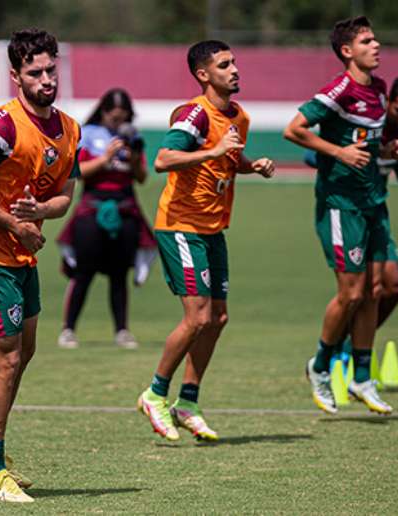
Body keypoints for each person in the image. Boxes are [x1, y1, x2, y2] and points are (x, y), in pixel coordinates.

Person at [0, 28, 80, 503]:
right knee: (4, 359)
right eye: (35, 72)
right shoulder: (0, 127)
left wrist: (39, 214)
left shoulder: (70, 128)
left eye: (51, 70)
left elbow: (64, 197)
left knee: (24, 353)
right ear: (15, 77)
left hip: (23, 252)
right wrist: (15, 224)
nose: (46, 79)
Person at [136, 40, 275, 442]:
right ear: (203, 74)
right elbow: (162, 160)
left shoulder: (240, 116)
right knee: (197, 316)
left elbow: (229, 159)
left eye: (234, 62)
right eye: (224, 64)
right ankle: (155, 393)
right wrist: (213, 149)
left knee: (217, 318)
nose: (234, 70)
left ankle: (188, 402)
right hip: (181, 226)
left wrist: (252, 166)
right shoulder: (195, 115)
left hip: (213, 229)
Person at [284, 16, 395, 415]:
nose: (376, 44)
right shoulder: (339, 89)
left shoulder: (379, 89)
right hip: (340, 204)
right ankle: (320, 365)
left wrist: (387, 154)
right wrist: (338, 152)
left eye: (375, 38)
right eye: (367, 40)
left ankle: (362, 376)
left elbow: (366, 144)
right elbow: (294, 130)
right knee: (350, 293)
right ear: (347, 51)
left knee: (374, 291)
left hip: (372, 203)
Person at [304, 76, 398, 364]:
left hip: (376, 211)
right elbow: (311, 155)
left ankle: (351, 346)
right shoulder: (366, 128)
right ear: (388, 103)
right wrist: (347, 158)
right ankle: (333, 351)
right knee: (357, 292)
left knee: (394, 286)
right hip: (346, 209)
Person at [56, 88, 157, 350]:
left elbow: (142, 177)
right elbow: (80, 173)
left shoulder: (133, 138)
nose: (118, 122)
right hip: (93, 209)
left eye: (123, 117)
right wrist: (106, 158)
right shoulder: (88, 135)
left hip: (125, 210)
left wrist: (134, 158)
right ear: (103, 112)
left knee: (119, 273)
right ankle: (68, 329)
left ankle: (122, 330)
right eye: (114, 117)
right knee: (84, 272)